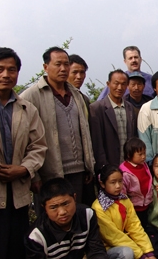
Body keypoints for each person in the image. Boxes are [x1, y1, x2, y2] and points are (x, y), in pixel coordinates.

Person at [0, 47, 47, 259]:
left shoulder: (27, 109)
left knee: (16, 249)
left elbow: (38, 145)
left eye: (11, 70)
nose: (6, 75)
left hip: (18, 196)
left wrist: (24, 169)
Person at [21, 46, 95, 200]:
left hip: (79, 171)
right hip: (50, 173)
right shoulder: (31, 96)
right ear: (46, 67)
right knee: (54, 217)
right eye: (58, 64)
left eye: (66, 64)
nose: (63, 69)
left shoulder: (76, 95)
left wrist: (89, 165)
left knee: (77, 215)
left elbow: (85, 133)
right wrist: (34, 176)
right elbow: (24, 139)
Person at [25, 178, 108, 259]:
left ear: (74, 198)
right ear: (44, 208)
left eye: (65, 204)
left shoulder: (87, 215)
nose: (62, 212)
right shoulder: (36, 236)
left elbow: (96, 251)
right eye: (53, 207)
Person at [92, 165, 156, 259]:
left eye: (120, 181)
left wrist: (149, 252)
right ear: (102, 184)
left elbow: (135, 227)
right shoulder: (99, 207)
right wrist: (141, 255)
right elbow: (114, 237)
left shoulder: (124, 200)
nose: (118, 186)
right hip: (106, 249)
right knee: (127, 253)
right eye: (113, 182)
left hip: (125, 242)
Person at [90, 69, 138, 171]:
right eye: (116, 83)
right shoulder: (97, 108)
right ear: (108, 84)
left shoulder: (130, 107)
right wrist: (104, 167)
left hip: (128, 165)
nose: (119, 88)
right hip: (108, 166)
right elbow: (97, 142)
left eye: (123, 84)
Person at [68, 54, 96, 206]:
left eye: (82, 72)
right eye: (75, 72)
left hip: (83, 166)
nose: (79, 77)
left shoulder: (83, 99)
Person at [120, 138, 153, 228]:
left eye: (144, 153)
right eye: (140, 154)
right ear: (129, 155)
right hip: (134, 209)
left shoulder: (144, 165)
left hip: (146, 206)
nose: (143, 157)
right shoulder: (124, 173)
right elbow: (122, 193)